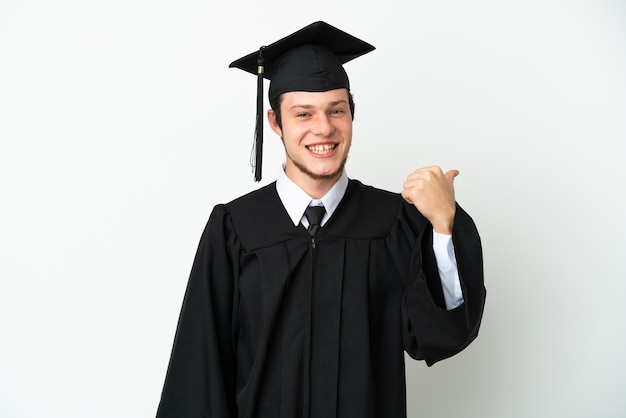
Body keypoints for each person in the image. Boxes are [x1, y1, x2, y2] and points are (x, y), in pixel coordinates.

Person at [156, 21, 486, 418]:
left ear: (352, 113)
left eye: (336, 110)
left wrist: (443, 226)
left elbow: (441, 336)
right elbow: (199, 371)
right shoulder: (236, 229)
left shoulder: (392, 223)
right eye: (303, 113)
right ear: (276, 122)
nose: (323, 128)